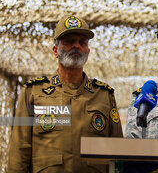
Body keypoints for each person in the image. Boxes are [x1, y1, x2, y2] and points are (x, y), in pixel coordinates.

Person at [8, 16, 123, 173]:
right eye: (69, 41)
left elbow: (117, 154)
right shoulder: (33, 92)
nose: (76, 45)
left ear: (88, 51)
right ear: (56, 51)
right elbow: (19, 152)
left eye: (82, 42)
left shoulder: (104, 96)